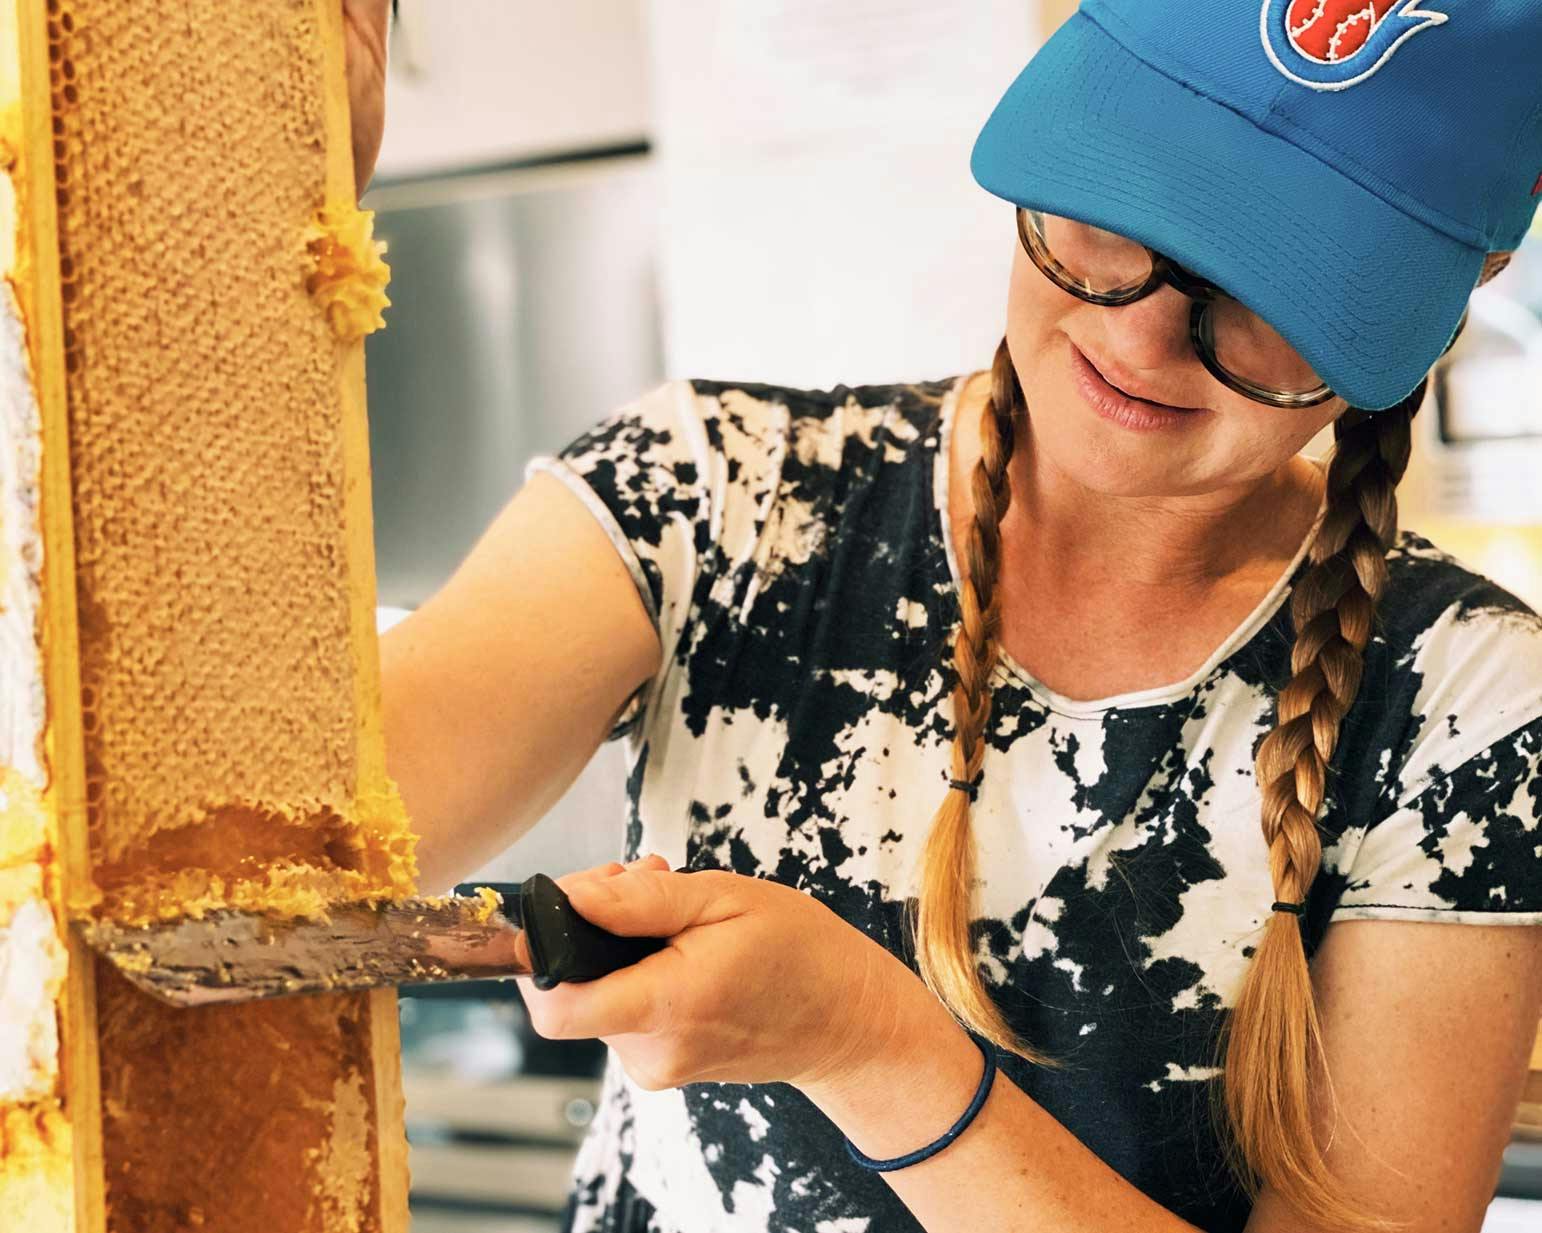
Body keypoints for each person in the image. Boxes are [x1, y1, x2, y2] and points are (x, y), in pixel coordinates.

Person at [346, 2, 1542, 1230]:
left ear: (1462, 293)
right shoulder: (712, 491)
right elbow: (285, 845)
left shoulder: (1468, 710)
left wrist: (866, 1044)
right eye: (1122, 207)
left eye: (1277, 280)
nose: (1140, 335)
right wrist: (285, 196)